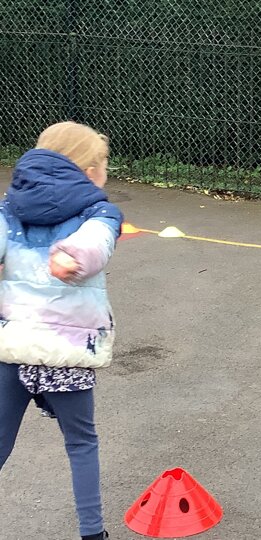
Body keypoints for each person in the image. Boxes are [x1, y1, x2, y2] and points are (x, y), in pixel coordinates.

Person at [0, 121, 123, 540]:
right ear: (89, 172)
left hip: (12, 345)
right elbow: (97, 242)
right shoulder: (100, 211)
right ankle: (92, 533)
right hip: (66, 351)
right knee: (81, 442)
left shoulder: (9, 207)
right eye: (104, 166)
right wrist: (73, 256)